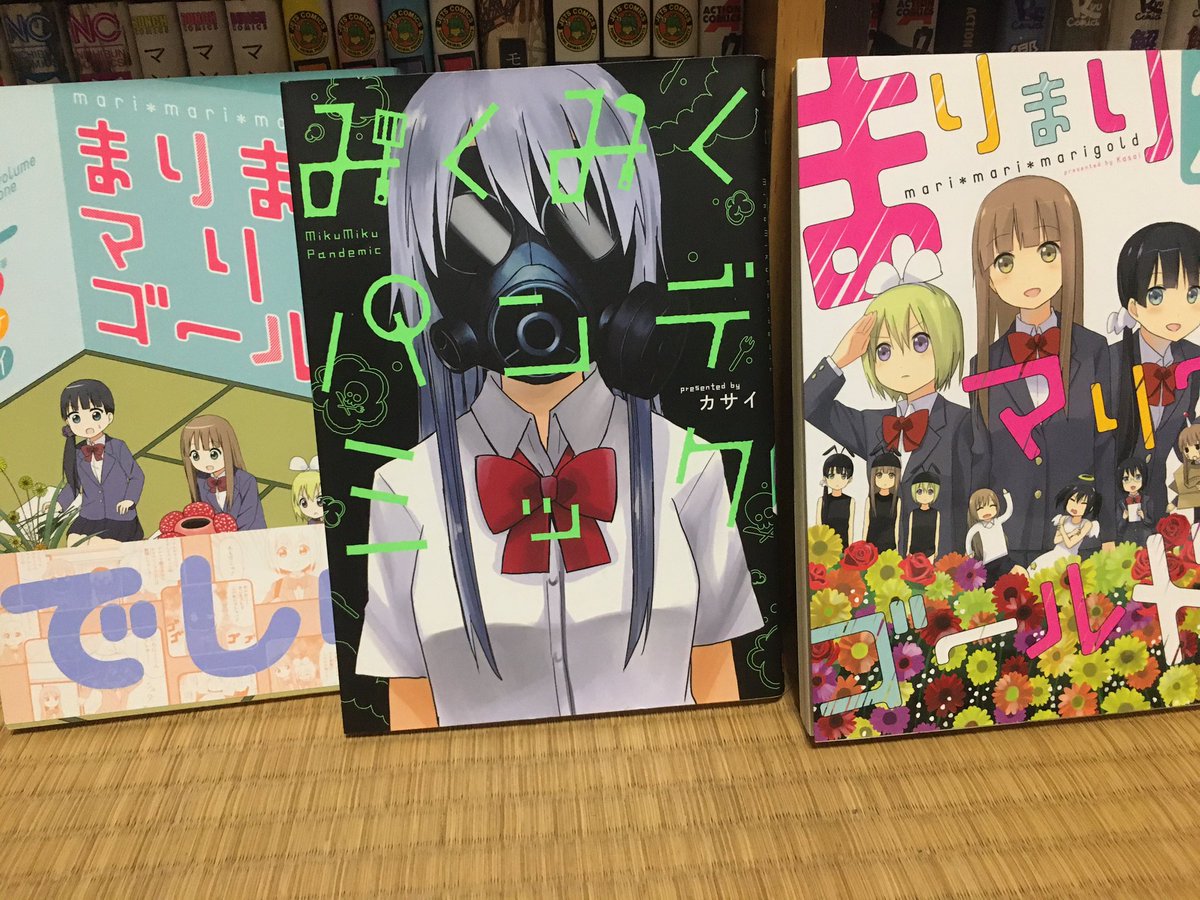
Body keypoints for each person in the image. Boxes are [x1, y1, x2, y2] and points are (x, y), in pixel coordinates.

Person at [355, 67, 764, 730]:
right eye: (474, 229)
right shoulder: (403, 491)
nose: (530, 272)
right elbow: (409, 705)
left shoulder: (690, 468)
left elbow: (718, 681)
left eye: (579, 222)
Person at [970, 176, 1114, 565]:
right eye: (1005, 261)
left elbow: (1105, 444)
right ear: (987, 275)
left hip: (1081, 536)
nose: (1029, 275)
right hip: (1009, 541)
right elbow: (982, 458)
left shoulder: (1094, 350)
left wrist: (1110, 532)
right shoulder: (982, 365)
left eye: (1047, 251)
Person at [804, 236, 973, 556]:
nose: (902, 361)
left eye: (919, 342)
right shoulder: (871, 425)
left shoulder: (962, 423)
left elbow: (971, 498)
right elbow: (808, 406)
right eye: (884, 350)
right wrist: (839, 359)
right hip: (880, 568)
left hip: (941, 568)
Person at [1108, 222, 1200, 527]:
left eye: (1193, 294)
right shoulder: (1108, 361)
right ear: (1133, 305)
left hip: (1166, 503)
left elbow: (1189, 419)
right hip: (1115, 504)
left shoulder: (1194, 358)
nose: (1177, 312)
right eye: (1158, 296)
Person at [57, 379, 145, 542]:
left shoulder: (118, 446)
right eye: (76, 418)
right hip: (90, 516)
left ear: (109, 416)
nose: (87, 424)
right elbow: (73, 484)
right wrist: (59, 504)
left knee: (101, 545)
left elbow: (136, 476)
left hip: (120, 517)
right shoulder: (77, 452)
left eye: (95, 415)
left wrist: (130, 499)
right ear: (68, 422)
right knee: (73, 541)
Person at [180, 415, 266, 531]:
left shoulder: (246, 481)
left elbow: (249, 519)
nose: (205, 462)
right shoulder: (200, 481)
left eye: (213, 454)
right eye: (195, 455)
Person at [1029, 477, 1102, 573]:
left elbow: (1070, 544)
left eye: (1082, 503)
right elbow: (1056, 540)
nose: (1075, 506)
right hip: (1055, 554)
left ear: (1090, 507)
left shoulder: (1087, 524)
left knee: (1069, 580)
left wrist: (1062, 530)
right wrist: (1072, 533)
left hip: (1070, 559)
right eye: (1072, 500)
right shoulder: (1063, 518)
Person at [965, 488, 1015, 584]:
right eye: (980, 508)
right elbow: (969, 538)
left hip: (1004, 558)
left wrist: (1007, 496)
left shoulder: (998, 521)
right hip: (988, 562)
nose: (987, 511)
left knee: (1016, 577)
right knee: (992, 585)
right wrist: (969, 553)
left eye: (991, 506)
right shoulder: (978, 527)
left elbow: (1009, 512)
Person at [863, 451, 901, 552]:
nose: (885, 480)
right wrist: (863, 545)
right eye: (879, 475)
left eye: (891, 475)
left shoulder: (897, 501)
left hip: (890, 546)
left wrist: (897, 548)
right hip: (871, 546)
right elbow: (866, 525)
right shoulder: (870, 500)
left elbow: (896, 527)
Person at [817, 449, 855, 546]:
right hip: (826, 548)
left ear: (850, 479)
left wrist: (850, 548)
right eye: (832, 476)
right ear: (825, 478)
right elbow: (819, 527)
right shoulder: (822, 501)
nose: (837, 481)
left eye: (843, 476)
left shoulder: (850, 501)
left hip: (844, 547)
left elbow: (850, 527)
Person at [906, 470, 941, 558]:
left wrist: (936, 549)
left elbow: (937, 533)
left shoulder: (936, 513)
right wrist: (908, 549)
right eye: (920, 491)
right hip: (914, 550)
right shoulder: (913, 513)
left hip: (930, 551)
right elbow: (910, 533)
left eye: (930, 492)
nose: (924, 496)